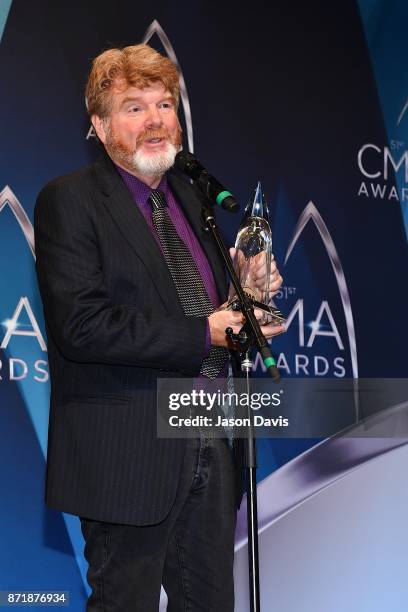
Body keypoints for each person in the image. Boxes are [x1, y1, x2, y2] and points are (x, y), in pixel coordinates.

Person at [34, 44, 283, 611]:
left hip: (206, 436)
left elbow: (205, 308)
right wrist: (206, 333)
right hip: (126, 452)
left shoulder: (194, 200)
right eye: (134, 107)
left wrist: (246, 289)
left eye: (165, 105)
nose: (155, 121)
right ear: (99, 126)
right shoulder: (70, 201)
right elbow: (83, 325)